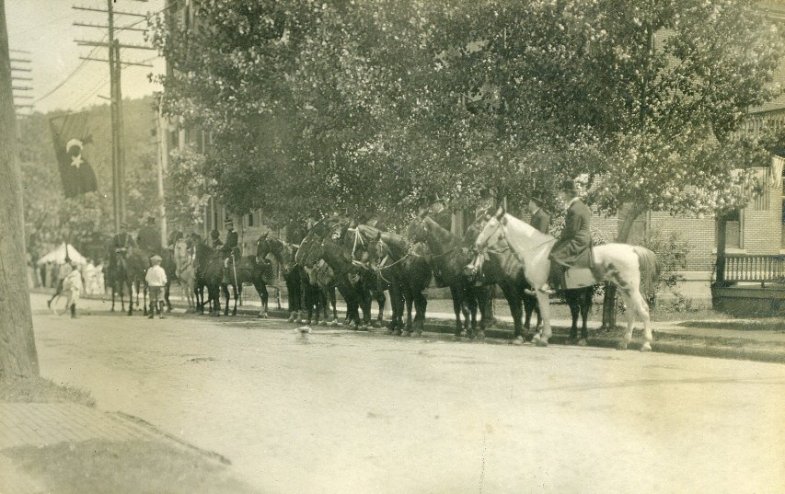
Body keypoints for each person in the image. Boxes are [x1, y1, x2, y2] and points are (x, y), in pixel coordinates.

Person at [541, 179, 592, 294]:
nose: (562, 195)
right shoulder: (579, 205)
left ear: (569, 193)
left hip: (578, 240)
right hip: (581, 237)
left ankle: (554, 286)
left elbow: (571, 231)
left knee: (555, 256)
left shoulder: (575, 209)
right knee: (556, 247)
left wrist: (559, 235)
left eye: (563, 193)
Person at [145, 255, 168, 319]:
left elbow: (147, 278)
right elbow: (164, 279)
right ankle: (161, 314)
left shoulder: (150, 270)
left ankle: (152, 314)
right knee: (161, 299)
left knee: (152, 300)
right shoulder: (161, 270)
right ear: (159, 262)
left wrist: (150, 282)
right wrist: (164, 283)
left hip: (152, 286)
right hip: (160, 286)